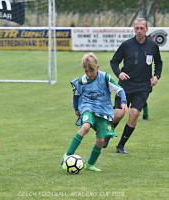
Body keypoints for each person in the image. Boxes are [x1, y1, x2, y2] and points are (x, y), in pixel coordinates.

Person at [102, 18, 163, 153]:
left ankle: (120, 146)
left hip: (143, 87)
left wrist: (156, 76)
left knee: (134, 113)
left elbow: (158, 63)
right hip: (125, 85)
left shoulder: (153, 46)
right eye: (137, 28)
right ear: (134, 29)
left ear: (147, 29)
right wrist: (119, 73)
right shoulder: (126, 45)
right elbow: (114, 62)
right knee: (118, 114)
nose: (139, 31)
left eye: (142, 28)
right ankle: (107, 135)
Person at [61, 53, 129, 171]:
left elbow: (120, 89)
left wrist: (123, 101)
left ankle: (90, 164)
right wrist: (76, 109)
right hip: (88, 109)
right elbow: (76, 95)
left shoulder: (105, 78)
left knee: (101, 140)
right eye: (86, 71)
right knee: (86, 127)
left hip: (103, 111)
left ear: (97, 68)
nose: (88, 74)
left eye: (91, 71)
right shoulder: (81, 81)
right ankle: (67, 154)